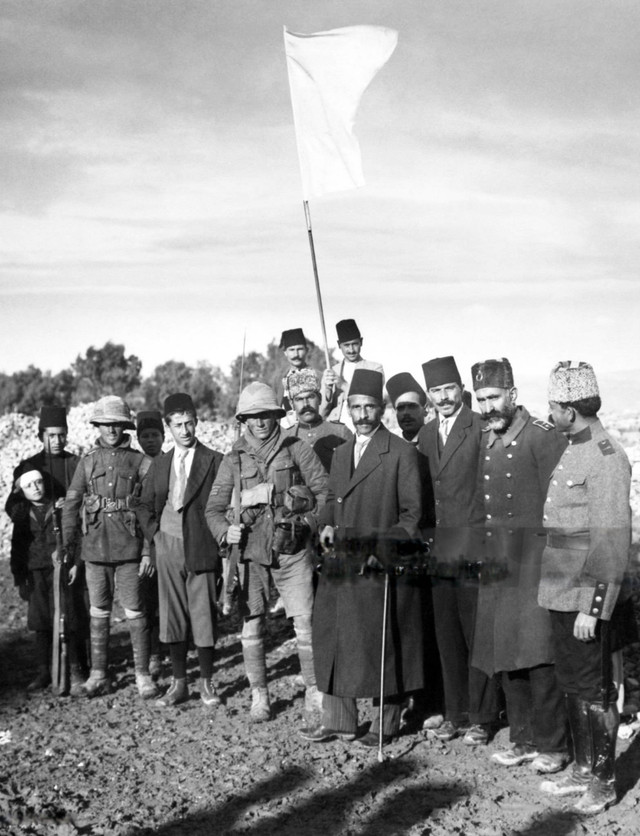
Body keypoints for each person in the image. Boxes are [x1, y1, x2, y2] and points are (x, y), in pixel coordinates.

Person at [301, 369, 425, 747]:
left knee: (382, 643)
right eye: (356, 407)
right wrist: (326, 522)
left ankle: (386, 723)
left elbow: (411, 516)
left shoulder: (401, 453)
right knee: (335, 636)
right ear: (348, 408)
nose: (363, 414)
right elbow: (332, 499)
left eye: (370, 407)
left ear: (381, 408)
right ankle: (339, 720)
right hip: (341, 561)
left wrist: (382, 551)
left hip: (377, 564)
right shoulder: (341, 453)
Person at [538, 362, 633, 814]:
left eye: (554, 407)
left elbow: (611, 540)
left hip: (584, 595)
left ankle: (603, 781)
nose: (550, 413)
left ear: (570, 410)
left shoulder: (606, 455)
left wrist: (593, 607)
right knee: (574, 684)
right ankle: (581, 769)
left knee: (595, 690)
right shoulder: (575, 446)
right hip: (561, 588)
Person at [206, 382, 327, 723]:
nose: (260, 422)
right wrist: (225, 531)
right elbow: (213, 509)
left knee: (304, 620)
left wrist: (306, 522)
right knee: (252, 623)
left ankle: (314, 689)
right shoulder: (233, 459)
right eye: (253, 416)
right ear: (243, 419)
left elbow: (324, 492)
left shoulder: (296, 448)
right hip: (250, 551)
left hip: (292, 548)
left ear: (277, 415)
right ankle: (260, 694)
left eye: (266, 415)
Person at [472, 358, 568, 772]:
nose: (488, 407)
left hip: (536, 561)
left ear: (512, 394)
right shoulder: (486, 438)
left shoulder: (542, 438)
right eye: (481, 400)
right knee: (506, 651)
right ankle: (523, 738)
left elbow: (560, 508)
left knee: (540, 655)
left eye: (494, 397)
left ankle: (554, 745)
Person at [417, 356, 499, 745]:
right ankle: (455, 712)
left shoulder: (480, 427)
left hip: (474, 544)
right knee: (447, 633)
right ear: (428, 395)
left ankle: (483, 716)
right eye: (436, 391)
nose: (444, 397)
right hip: (440, 548)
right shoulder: (426, 435)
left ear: (461, 390)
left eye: (449, 389)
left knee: (476, 632)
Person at [61, 396, 158, 700]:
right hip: (95, 550)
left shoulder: (141, 462)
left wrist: (148, 551)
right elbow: (72, 505)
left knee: (135, 609)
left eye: (117, 424)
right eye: (105, 424)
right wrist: (68, 547)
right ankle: (98, 674)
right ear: (98, 426)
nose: (111, 430)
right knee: (98, 610)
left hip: (131, 549)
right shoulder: (87, 462)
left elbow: (152, 509)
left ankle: (142, 674)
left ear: (125, 426)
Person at [136, 394, 223, 708]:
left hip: (202, 545)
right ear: (168, 427)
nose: (184, 430)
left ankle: (207, 683)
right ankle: (179, 683)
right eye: (177, 425)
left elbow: (223, 505)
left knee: (203, 615)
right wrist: (157, 536)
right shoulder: (160, 464)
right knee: (172, 614)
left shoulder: (215, 460)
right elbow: (143, 504)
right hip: (168, 544)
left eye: (189, 423)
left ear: (197, 422)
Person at [386, 371, 442, 728]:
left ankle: (437, 701)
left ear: (426, 409)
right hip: (407, 549)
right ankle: (414, 698)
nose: (406, 414)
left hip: (438, 545)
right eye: (400, 408)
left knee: (435, 627)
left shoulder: (435, 443)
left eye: (412, 407)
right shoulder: (392, 449)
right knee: (409, 626)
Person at [10, 468, 81, 693]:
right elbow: (17, 548)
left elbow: (74, 536)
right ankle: (44, 671)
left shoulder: (59, 508)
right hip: (35, 573)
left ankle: (74, 668)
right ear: (22, 491)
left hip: (59, 570)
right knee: (40, 622)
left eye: (38, 483)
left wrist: (75, 563)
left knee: (67, 617)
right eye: (29, 486)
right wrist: (20, 578)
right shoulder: (22, 515)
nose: (36, 488)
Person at [135, 409, 165, 676]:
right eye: (145, 436)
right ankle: (153, 653)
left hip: (167, 540)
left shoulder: (171, 463)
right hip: (141, 544)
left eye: (155, 435)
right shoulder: (134, 466)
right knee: (147, 602)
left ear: (163, 436)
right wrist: (146, 550)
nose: (151, 440)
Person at [284, 368, 351, 472]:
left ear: (319, 398)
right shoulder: (286, 438)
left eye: (310, 397)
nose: (306, 404)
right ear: (291, 404)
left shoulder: (340, 432)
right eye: (299, 399)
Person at [320, 319, 384, 429]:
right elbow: (322, 412)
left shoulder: (375, 368)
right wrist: (327, 390)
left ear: (361, 342)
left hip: (364, 426)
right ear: (339, 345)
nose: (351, 350)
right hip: (336, 429)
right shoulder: (332, 371)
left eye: (355, 344)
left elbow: (371, 399)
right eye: (346, 345)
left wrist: (343, 385)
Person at [275, 328, 311, 428]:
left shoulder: (318, 376)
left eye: (300, 349)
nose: (296, 354)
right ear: (285, 352)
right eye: (291, 350)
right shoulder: (279, 379)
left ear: (306, 350)